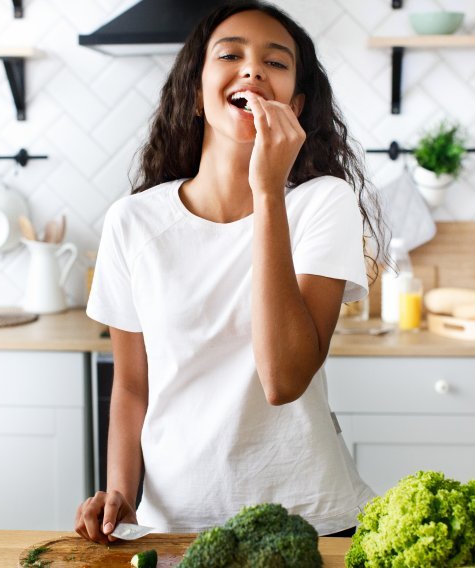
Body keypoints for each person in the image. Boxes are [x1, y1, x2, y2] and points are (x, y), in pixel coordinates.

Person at [75, 0, 386, 544]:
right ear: (196, 94)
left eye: (277, 62)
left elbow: (284, 379)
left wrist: (268, 191)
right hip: (174, 526)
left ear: (298, 102)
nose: (253, 69)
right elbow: (131, 386)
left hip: (311, 522)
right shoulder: (133, 221)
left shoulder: (322, 204)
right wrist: (120, 493)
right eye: (231, 54)